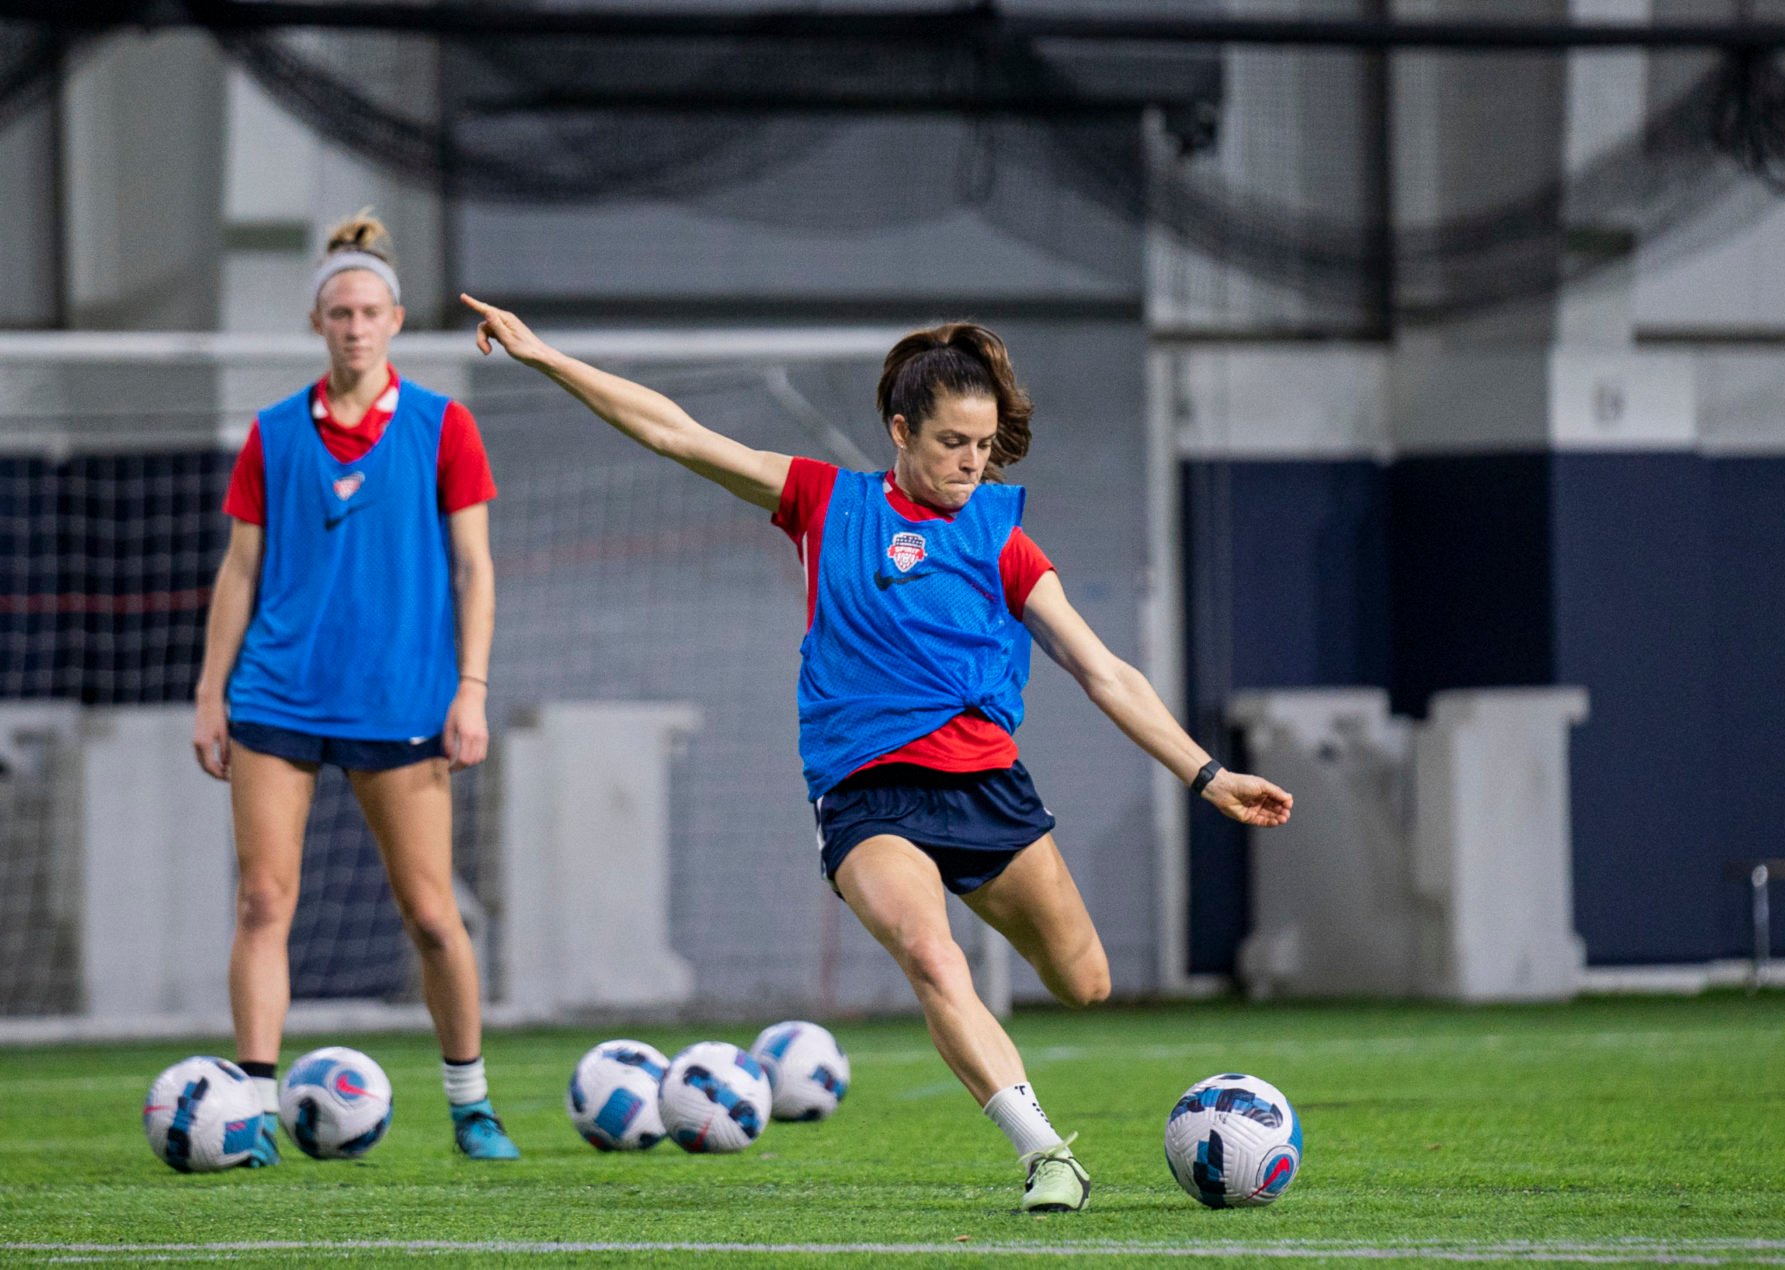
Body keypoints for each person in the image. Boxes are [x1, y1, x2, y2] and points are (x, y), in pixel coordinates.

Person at [461, 295, 1291, 1210]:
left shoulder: (1004, 540)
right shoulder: (827, 503)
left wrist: (1206, 775)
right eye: (951, 443)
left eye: (983, 444)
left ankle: (1050, 1092)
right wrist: (545, 357)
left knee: (1085, 981)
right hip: (869, 795)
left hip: (987, 788)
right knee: (934, 959)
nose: (971, 462)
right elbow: (677, 434)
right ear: (900, 430)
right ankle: (1046, 1155)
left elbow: (1106, 672)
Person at [191, 214, 518, 1163]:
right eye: (340, 312)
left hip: (406, 700)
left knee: (430, 914)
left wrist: (472, 688)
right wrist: (211, 692)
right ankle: (251, 1113)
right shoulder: (272, 435)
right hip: (277, 700)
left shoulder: (442, 426)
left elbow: (474, 570)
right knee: (263, 903)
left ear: (397, 320)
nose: (356, 326)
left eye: (371, 311)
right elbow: (239, 572)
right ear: (317, 323)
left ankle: (471, 1104)